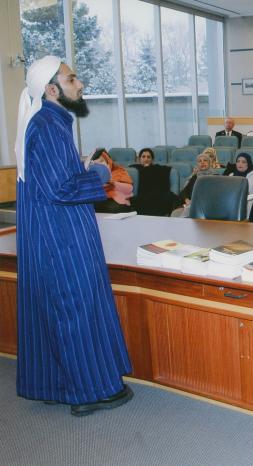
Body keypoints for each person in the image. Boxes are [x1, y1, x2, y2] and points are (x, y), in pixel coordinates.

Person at [13, 56, 133, 416]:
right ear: (52, 90)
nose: (79, 85)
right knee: (76, 309)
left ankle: (53, 384)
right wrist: (97, 174)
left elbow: (50, 180)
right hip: (63, 239)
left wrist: (81, 167)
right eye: (72, 79)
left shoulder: (46, 122)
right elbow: (59, 189)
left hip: (50, 234)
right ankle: (91, 392)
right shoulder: (49, 125)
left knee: (53, 311)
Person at [129, 148, 180, 216]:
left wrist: (148, 169)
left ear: (152, 160)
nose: (146, 159)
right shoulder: (134, 169)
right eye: (143, 157)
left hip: (157, 195)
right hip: (141, 195)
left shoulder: (157, 168)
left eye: (148, 157)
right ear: (139, 159)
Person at [173, 152, 217, 217]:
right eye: (200, 161)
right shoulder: (195, 177)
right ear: (197, 164)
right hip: (191, 204)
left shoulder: (216, 177)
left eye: (205, 160)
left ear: (209, 163)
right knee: (175, 213)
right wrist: (186, 199)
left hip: (208, 206)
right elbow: (184, 192)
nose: (202, 163)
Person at [91, 148, 134, 214]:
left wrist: (113, 183)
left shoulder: (119, 171)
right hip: (99, 201)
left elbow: (129, 189)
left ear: (108, 161)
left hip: (117, 201)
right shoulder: (93, 176)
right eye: (97, 163)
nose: (100, 165)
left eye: (102, 161)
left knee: (112, 208)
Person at [223, 152, 253, 218]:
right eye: (238, 161)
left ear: (248, 163)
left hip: (248, 201)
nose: (240, 164)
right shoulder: (231, 175)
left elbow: (248, 191)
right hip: (231, 200)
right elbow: (226, 190)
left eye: (243, 162)